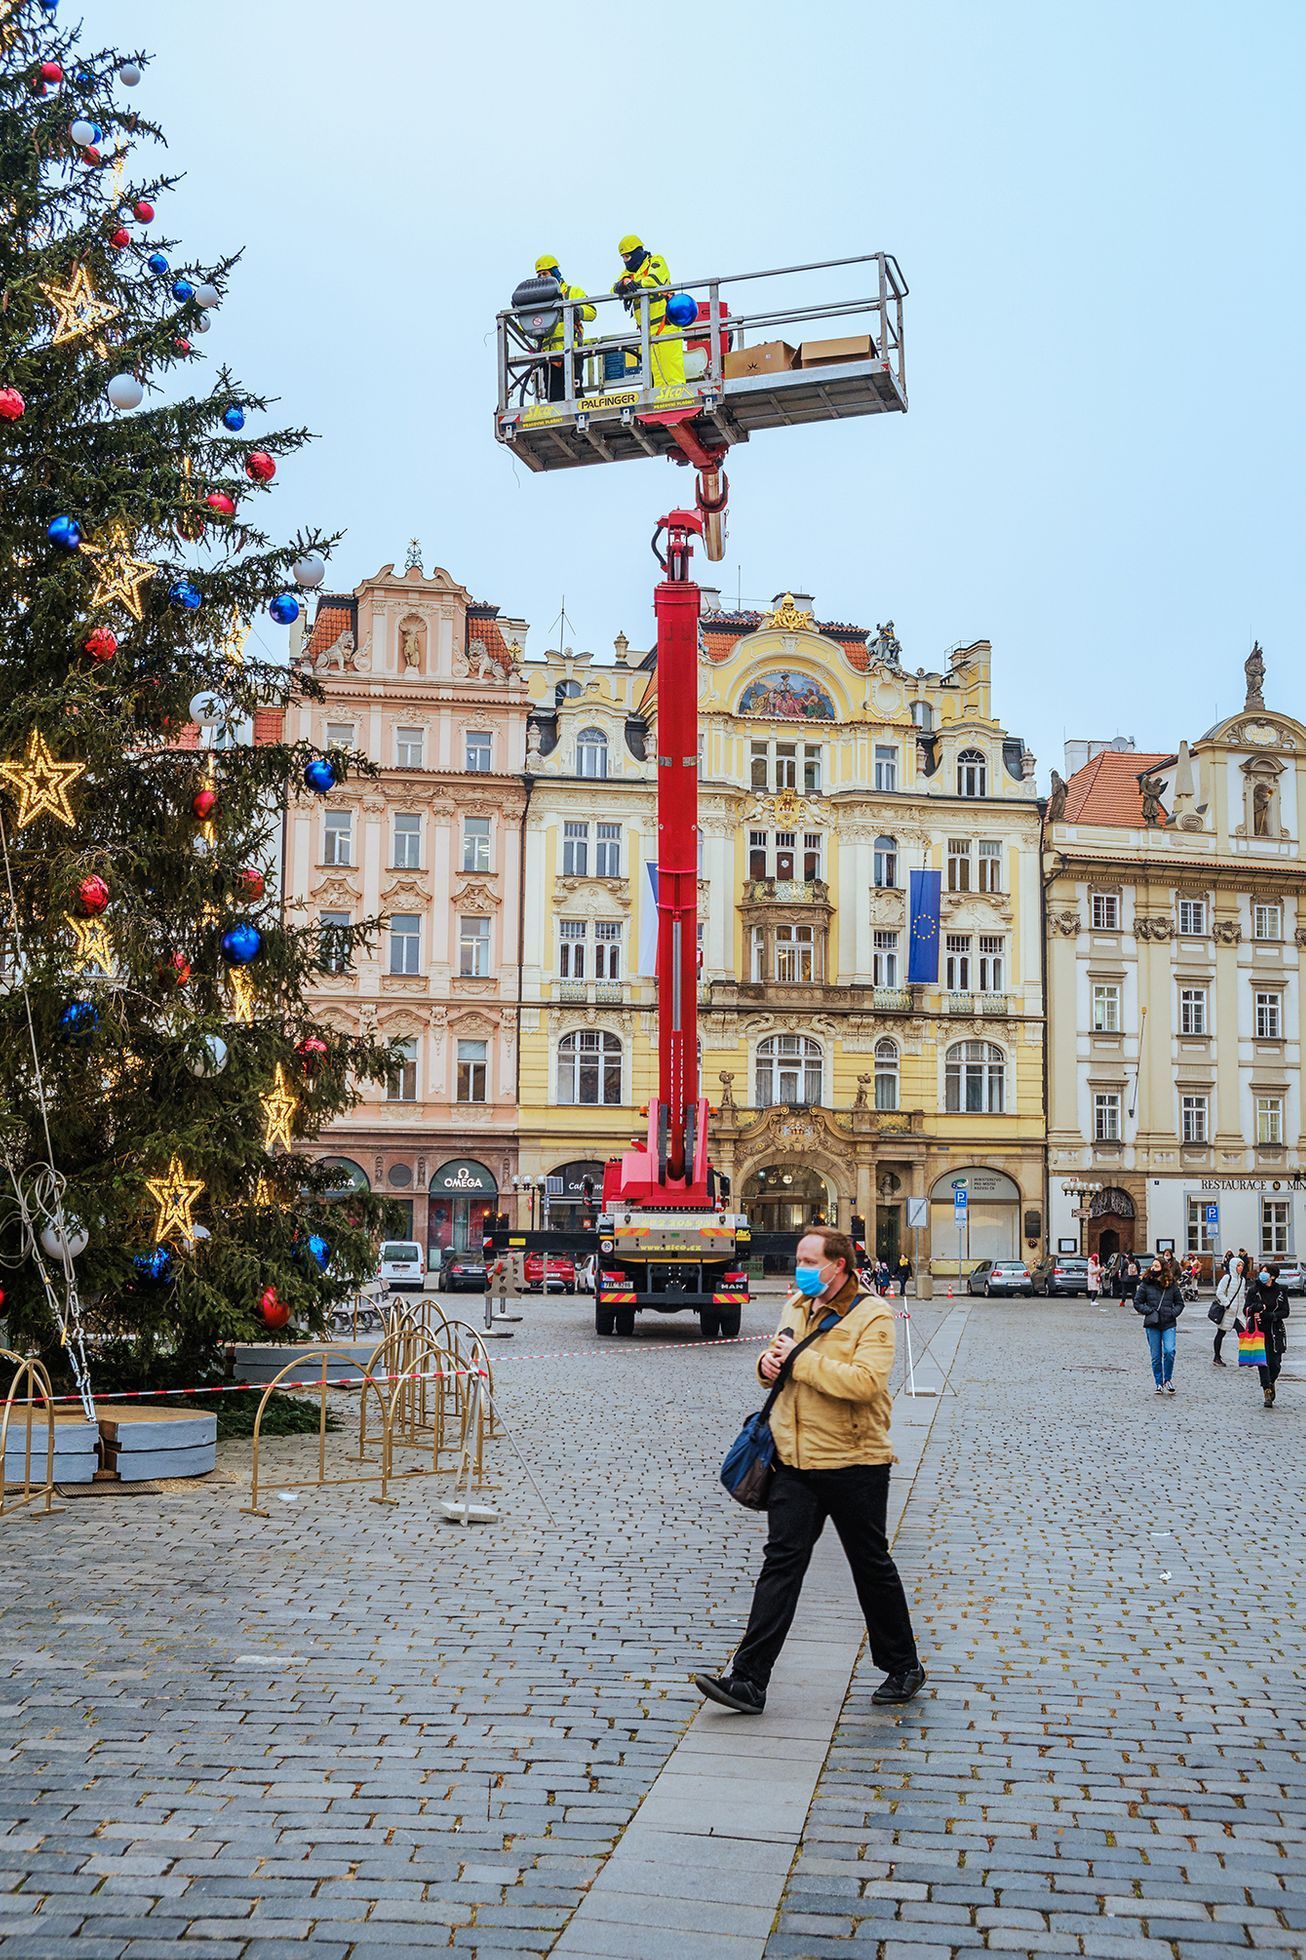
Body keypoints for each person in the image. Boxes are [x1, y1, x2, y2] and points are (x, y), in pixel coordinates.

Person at [693, 1228, 925, 1715]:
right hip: (792, 1461)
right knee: (781, 1566)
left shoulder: (873, 1315)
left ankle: (903, 1664)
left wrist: (799, 1359)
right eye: (799, 1257)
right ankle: (748, 1680)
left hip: (855, 1462)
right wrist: (767, 1364)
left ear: (837, 1265)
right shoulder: (796, 1304)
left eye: (808, 1258)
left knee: (870, 1565)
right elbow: (776, 1361)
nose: (799, 1265)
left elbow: (865, 1383)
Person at [614, 234, 685, 389]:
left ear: (637, 252)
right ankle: (660, 404)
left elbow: (654, 280)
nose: (626, 261)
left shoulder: (656, 261)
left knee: (671, 371)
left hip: (666, 327)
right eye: (623, 258)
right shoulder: (630, 273)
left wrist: (636, 284)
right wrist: (624, 283)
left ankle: (678, 401)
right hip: (647, 332)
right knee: (655, 375)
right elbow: (615, 287)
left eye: (627, 256)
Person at [534, 253, 596, 403]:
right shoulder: (537, 300)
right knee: (554, 399)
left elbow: (592, 312)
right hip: (550, 357)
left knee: (575, 396)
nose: (542, 278)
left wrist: (576, 311)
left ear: (554, 273)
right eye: (540, 275)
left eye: (545, 273)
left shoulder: (571, 292)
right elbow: (528, 328)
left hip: (572, 353)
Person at [1133, 1255, 1185, 1394]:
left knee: (1169, 1351)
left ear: (1163, 1268)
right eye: (1152, 1266)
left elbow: (1180, 1303)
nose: (1153, 1268)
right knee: (1156, 1356)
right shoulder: (1146, 1283)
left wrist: (1172, 1313)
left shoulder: (1171, 1284)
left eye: (1156, 1266)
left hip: (1168, 1323)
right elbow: (1137, 1302)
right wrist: (1149, 1311)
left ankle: (1167, 1379)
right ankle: (1158, 1382)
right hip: (1153, 1323)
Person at [1245, 1264, 1290, 1408]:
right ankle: (1267, 1391)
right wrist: (1254, 1308)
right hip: (1259, 1331)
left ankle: (1271, 1382)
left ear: (1273, 1276)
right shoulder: (1254, 1290)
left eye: (1265, 1272)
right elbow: (1246, 1310)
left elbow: (1286, 1312)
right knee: (1263, 1362)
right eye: (1261, 1272)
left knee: (1275, 1364)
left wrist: (1272, 1316)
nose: (1262, 1275)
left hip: (1275, 1331)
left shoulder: (1281, 1291)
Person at [1210, 1253, 1248, 1366]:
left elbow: (1242, 1297)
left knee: (1243, 1335)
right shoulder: (1227, 1278)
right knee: (1220, 1334)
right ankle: (1217, 1357)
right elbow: (1220, 1292)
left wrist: (1244, 1309)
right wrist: (1227, 1304)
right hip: (1227, 1312)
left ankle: (1245, 1358)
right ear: (1233, 1266)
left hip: (1238, 1314)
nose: (1240, 1267)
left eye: (1242, 1265)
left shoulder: (1242, 1280)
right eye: (1238, 1265)